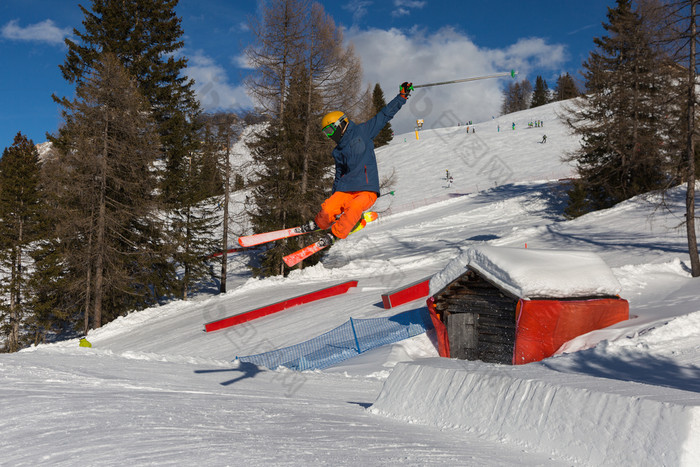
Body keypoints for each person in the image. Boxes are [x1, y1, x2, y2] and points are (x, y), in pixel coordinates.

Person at [301, 82, 413, 247]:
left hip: (366, 189)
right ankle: (320, 223)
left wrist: (402, 97)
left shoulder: (363, 131)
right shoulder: (337, 151)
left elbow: (384, 115)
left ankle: (335, 233)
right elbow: (339, 176)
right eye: (326, 133)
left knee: (354, 208)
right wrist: (334, 196)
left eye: (330, 130)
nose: (329, 135)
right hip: (345, 189)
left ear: (340, 124)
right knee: (329, 207)